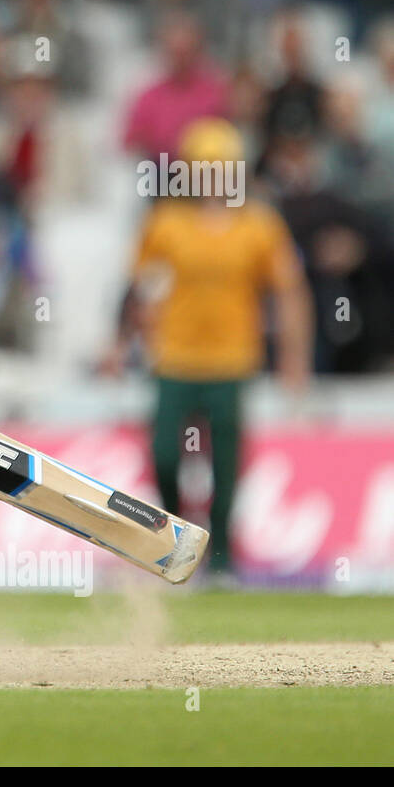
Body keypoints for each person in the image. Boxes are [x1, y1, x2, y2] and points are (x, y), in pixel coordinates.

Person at [103, 118, 312, 579]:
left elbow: (288, 291)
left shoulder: (259, 224)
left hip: (232, 360)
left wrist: (295, 359)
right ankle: (176, 536)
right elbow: (138, 288)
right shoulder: (166, 223)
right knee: (163, 453)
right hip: (174, 357)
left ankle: (221, 556)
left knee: (227, 460)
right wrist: (121, 344)